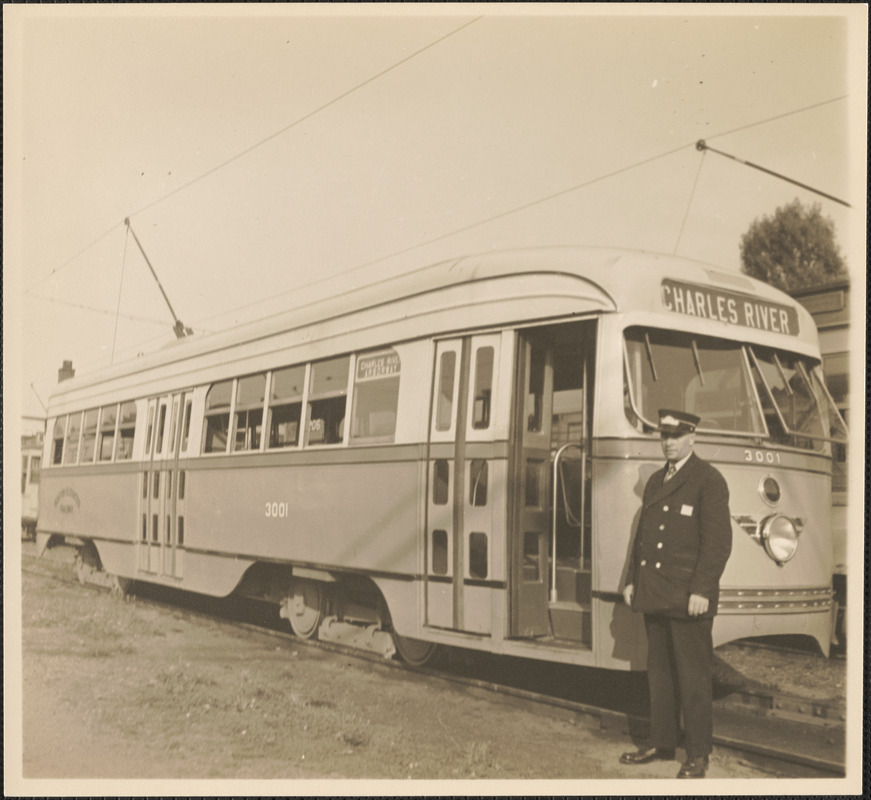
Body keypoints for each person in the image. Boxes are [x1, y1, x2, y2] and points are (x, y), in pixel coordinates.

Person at [619, 409, 732, 779]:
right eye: (664, 436)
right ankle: (662, 742)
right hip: (655, 591)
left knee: (694, 677)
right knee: (660, 673)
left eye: (676, 436)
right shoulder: (656, 480)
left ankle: (698, 754)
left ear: (693, 438)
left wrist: (702, 589)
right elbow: (643, 537)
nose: (668, 442)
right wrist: (632, 580)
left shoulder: (708, 480)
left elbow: (717, 544)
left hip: (688, 596)